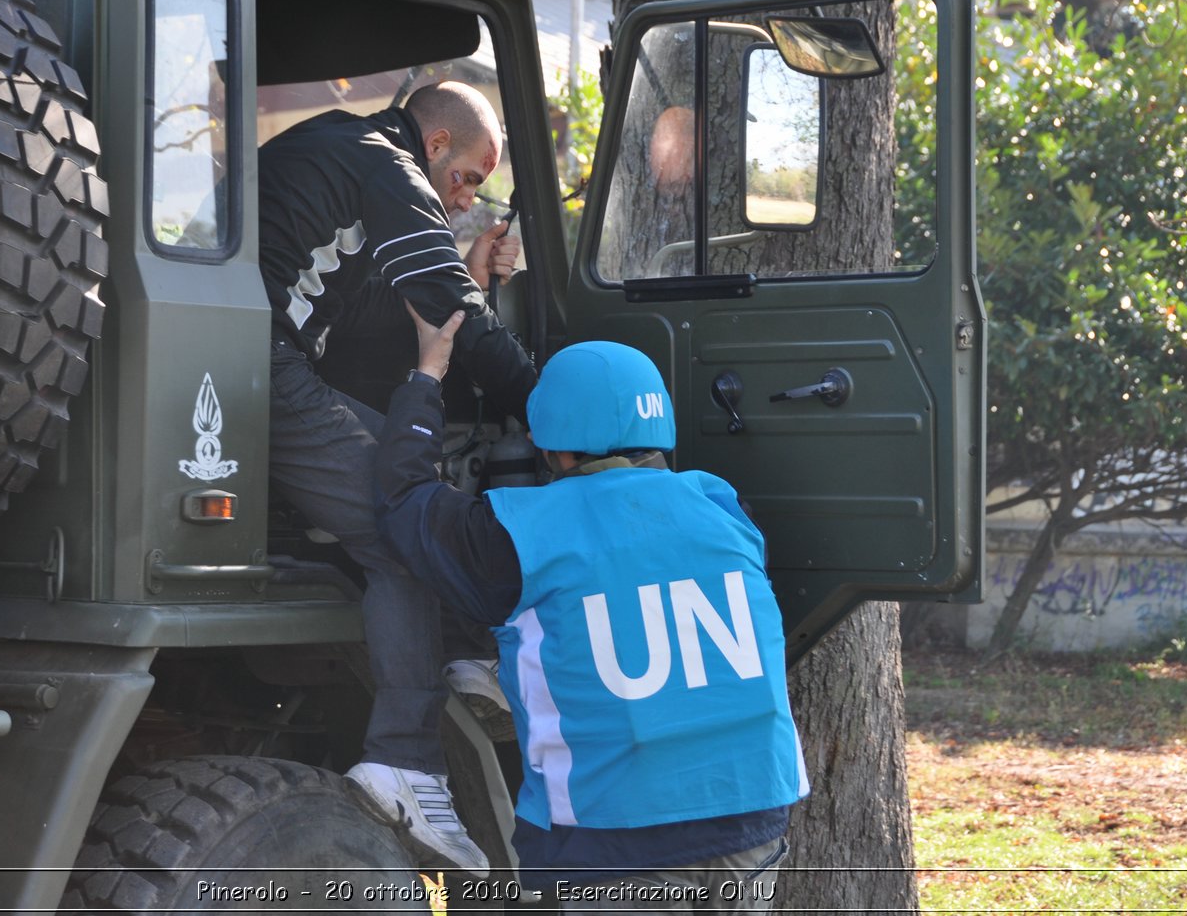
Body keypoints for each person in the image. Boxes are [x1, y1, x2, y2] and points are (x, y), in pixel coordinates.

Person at [374, 314, 808, 911]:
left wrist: (427, 376)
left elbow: (404, 501)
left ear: (549, 446)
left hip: (612, 842)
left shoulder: (520, 534)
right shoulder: (724, 505)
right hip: (755, 823)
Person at [257, 81, 535, 874]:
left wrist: (472, 271)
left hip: (252, 349)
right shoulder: (391, 168)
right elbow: (452, 321)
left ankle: (458, 647)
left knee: (398, 455)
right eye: (472, 180)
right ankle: (407, 763)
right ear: (437, 144)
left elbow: (379, 328)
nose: (468, 198)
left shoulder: (340, 151)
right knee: (401, 523)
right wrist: (556, 412)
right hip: (259, 364)